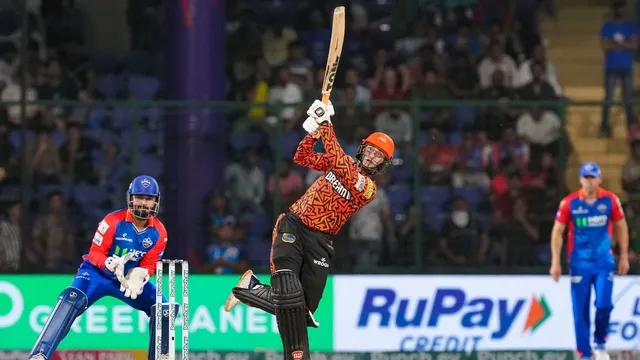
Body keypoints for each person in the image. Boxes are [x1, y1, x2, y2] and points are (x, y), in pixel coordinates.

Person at [223, 100, 394, 360]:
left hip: (320, 240)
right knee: (289, 293)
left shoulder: (368, 188)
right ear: (362, 148)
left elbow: (341, 165)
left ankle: (251, 289)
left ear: (382, 163)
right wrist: (313, 132)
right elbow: (302, 157)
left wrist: (326, 124)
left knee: (302, 310)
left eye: (378, 155)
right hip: (293, 224)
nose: (371, 156)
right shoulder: (342, 161)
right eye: (370, 149)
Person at [28, 176, 172, 360]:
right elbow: (95, 252)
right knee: (72, 298)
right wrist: (109, 263)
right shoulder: (112, 221)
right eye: (139, 197)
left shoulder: (159, 232)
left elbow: (150, 264)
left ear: (155, 201)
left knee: (163, 306)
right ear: (130, 198)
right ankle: (40, 354)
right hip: (97, 273)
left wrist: (141, 274)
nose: (143, 203)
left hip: (126, 280)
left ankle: (160, 357)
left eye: (149, 199)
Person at [550, 162, 630, 360]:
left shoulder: (610, 200)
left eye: (593, 177)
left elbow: (621, 226)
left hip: (604, 262)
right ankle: (584, 353)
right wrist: (555, 262)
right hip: (579, 263)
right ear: (580, 180)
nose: (590, 182)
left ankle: (600, 342)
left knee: (604, 304)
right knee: (580, 310)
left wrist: (624, 256)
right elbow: (557, 232)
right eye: (586, 177)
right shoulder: (569, 203)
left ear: (600, 179)